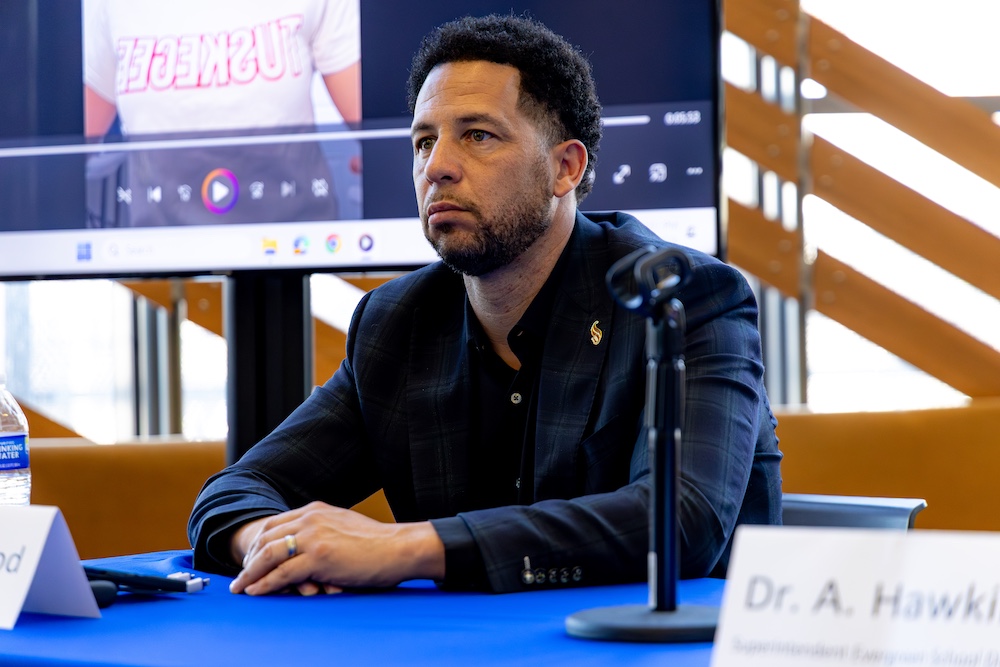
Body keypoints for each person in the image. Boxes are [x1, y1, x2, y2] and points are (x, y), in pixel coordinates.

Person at [188, 14, 782, 596]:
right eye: (424, 142)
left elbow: (681, 520)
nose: (437, 167)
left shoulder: (682, 301)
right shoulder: (397, 323)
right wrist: (278, 543)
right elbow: (235, 492)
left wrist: (406, 548)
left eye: (477, 135)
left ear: (565, 168)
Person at [82, 0, 361, 226]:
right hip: (161, 254)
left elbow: (373, 125)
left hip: (293, 246)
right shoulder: (112, 6)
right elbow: (71, 146)